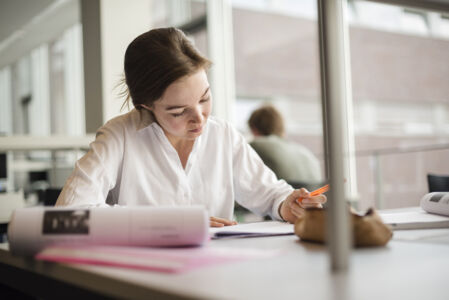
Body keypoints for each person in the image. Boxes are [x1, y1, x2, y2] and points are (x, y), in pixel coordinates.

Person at [55, 27, 326, 227]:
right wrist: (174, 223)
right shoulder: (120, 136)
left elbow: (268, 194)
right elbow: (69, 214)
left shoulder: (223, 135)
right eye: (178, 111)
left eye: (205, 98)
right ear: (146, 105)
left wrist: (286, 203)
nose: (200, 118)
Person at [248, 105, 322, 185]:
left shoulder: (257, 145)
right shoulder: (306, 153)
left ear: (254, 129)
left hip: (285, 196)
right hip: (311, 196)